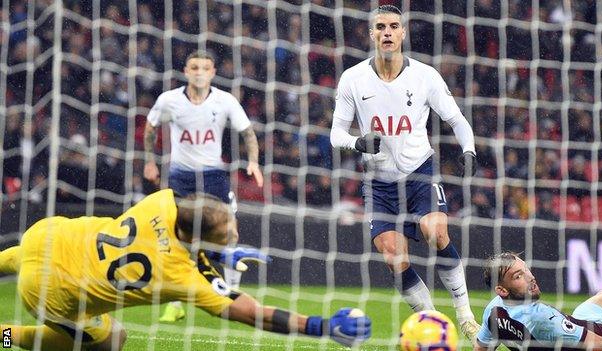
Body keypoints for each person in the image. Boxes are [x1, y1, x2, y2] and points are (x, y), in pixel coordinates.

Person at [0, 189, 371, 350]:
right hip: (47, 291)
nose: (235, 232)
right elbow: (250, 313)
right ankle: (4, 336)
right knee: (112, 341)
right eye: (228, 232)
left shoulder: (160, 202)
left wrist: (216, 255)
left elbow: (179, 228)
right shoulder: (180, 276)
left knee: (19, 255)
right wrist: (320, 327)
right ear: (200, 241)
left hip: (48, 235)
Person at [330, 4, 480, 340]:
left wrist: (468, 150)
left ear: (403, 32)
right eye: (380, 26)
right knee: (393, 256)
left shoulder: (425, 76)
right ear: (372, 33)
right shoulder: (353, 78)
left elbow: (456, 120)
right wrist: (357, 144)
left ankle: (466, 315)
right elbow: (335, 133)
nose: (387, 32)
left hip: (419, 173)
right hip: (379, 181)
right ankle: (432, 322)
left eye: (393, 26)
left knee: (435, 232)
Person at [143, 50, 264, 321]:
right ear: (186, 71)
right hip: (181, 177)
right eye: (194, 67)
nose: (199, 72)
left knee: (229, 232)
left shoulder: (225, 101)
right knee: (178, 239)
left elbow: (247, 132)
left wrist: (253, 162)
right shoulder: (169, 100)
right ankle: (176, 302)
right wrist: (149, 162)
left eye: (205, 67)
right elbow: (150, 128)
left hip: (213, 176)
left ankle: (232, 292)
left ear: (212, 73)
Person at [476, 252, 602, 350]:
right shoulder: (540, 319)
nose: (531, 277)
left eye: (526, 269)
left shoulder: (493, 310)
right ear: (502, 290)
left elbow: (480, 348)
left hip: (581, 323)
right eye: (518, 276)